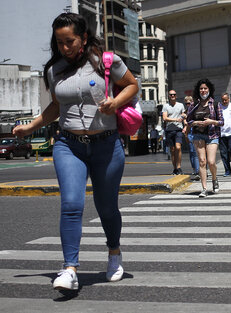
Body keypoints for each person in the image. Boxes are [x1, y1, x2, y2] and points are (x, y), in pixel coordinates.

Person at [12, 13, 138, 290]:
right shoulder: (54, 70)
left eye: (69, 41)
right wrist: (30, 126)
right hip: (69, 145)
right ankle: (69, 268)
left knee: (107, 208)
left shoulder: (107, 62)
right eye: (59, 42)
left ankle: (114, 253)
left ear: (82, 37)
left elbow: (132, 85)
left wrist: (115, 102)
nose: (64, 47)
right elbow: (56, 107)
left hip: (106, 144)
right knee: (71, 206)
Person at [186, 78, 224, 197]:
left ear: (209, 90)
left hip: (212, 135)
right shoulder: (194, 104)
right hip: (198, 135)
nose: (203, 91)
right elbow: (188, 120)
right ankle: (204, 188)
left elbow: (222, 122)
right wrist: (195, 123)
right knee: (202, 161)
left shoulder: (216, 104)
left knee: (211, 162)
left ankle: (214, 179)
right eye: (201, 89)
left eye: (205, 88)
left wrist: (211, 121)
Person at [162, 90, 186, 175]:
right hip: (169, 130)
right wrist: (176, 119)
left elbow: (184, 115)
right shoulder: (165, 106)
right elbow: (165, 118)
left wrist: (184, 119)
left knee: (178, 147)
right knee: (172, 150)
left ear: (176, 96)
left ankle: (179, 167)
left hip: (178, 129)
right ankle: (175, 168)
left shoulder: (180, 105)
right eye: (171, 95)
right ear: (168, 96)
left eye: (174, 94)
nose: (172, 96)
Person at [183, 96, 200, 180]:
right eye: (186, 103)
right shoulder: (185, 112)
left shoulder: (195, 110)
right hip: (189, 132)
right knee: (192, 151)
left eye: (189, 103)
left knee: (198, 152)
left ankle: (199, 170)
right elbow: (185, 123)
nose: (188, 105)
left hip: (196, 131)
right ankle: (195, 168)